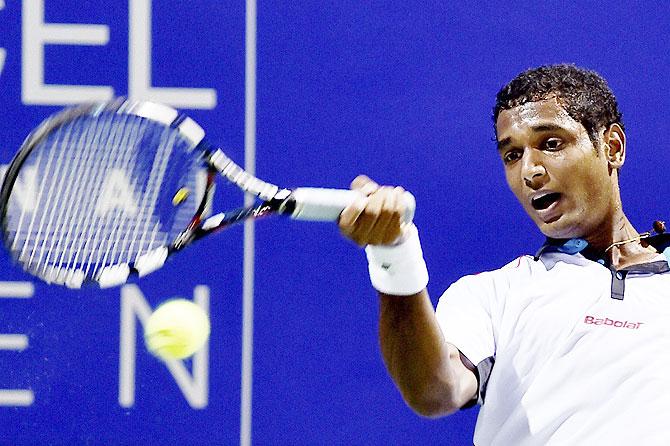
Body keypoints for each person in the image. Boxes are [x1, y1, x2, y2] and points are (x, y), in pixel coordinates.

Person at [339, 64, 670, 445]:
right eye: (512, 155)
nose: (530, 171)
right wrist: (393, 256)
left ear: (612, 147)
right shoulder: (494, 295)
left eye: (551, 144)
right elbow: (433, 391)